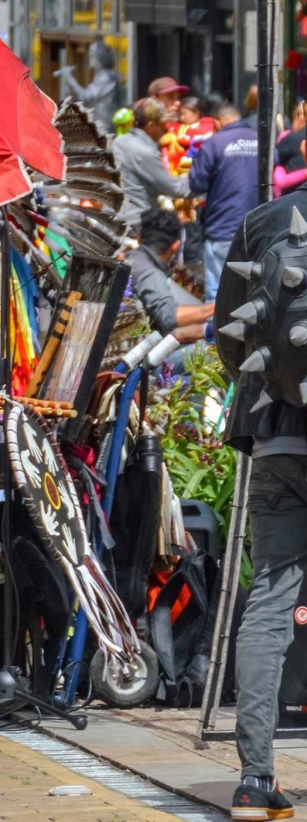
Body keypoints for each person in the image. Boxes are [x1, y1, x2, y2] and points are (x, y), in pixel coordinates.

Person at [215, 187, 307, 822]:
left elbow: (231, 332)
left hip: (278, 436)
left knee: (271, 599)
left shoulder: (262, 220)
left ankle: (253, 779)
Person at [188, 104, 259, 301]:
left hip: (223, 228)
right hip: (258, 229)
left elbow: (197, 183)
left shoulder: (214, 143)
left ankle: (217, 331)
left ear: (217, 122)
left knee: (217, 293)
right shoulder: (261, 140)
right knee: (253, 292)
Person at [127, 209, 214, 345]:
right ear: (175, 246)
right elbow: (168, 317)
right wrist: (216, 308)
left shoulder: (132, 258)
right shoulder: (150, 274)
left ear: (139, 237)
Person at [115, 98, 190, 228]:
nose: (166, 128)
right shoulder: (145, 152)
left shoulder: (119, 142)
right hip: (139, 224)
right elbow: (177, 190)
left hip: (117, 221)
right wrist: (199, 177)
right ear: (151, 126)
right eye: (162, 124)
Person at [57, 41, 122, 129]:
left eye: (92, 54)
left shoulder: (106, 78)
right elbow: (84, 101)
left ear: (100, 57)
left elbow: (85, 96)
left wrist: (70, 78)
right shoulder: (100, 76)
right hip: (98, 126)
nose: (89, 57)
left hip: (105, 128)